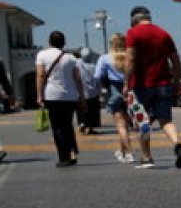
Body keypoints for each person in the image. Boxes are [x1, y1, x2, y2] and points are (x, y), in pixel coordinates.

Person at [123, 6, 181, 169]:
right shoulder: (164, 33)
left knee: (143, 122)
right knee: (166, 120)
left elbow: (130, 60)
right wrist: (176, 82)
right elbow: (176, 61)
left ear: (133, 20)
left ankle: (146, 157)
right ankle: (177, 143)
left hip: (141, 86)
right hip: (163, 84)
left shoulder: (133, 33)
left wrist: (125, 82)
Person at [36, 31, 86, 167]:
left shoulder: (42, 55)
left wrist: (39, 95)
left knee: (57, 127)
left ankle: (64, 157)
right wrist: (81, 97)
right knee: (68, 125)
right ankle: (73, 152)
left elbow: (40, 76)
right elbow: (77, 79)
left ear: (49, 42)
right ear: (64, 43)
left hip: (52, 96)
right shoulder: (70, 58)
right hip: (70, 97)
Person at [94, 33, 134, 163]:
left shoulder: (105, 58)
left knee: (121, 126)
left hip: (114, 92)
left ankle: (128, 153)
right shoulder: (130, 57)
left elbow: (97, 76)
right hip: (131, 92)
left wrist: (101, 88)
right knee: (125, 125)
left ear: (111, 44)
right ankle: (122, 151)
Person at [75, 48, 101, 135]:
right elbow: (98, 79)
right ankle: (90, 127)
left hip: (81, 92)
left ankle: (82, 124)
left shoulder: (78, 63)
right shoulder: (94, 65)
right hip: (93, 92)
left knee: (81, 110)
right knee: (92, 111)